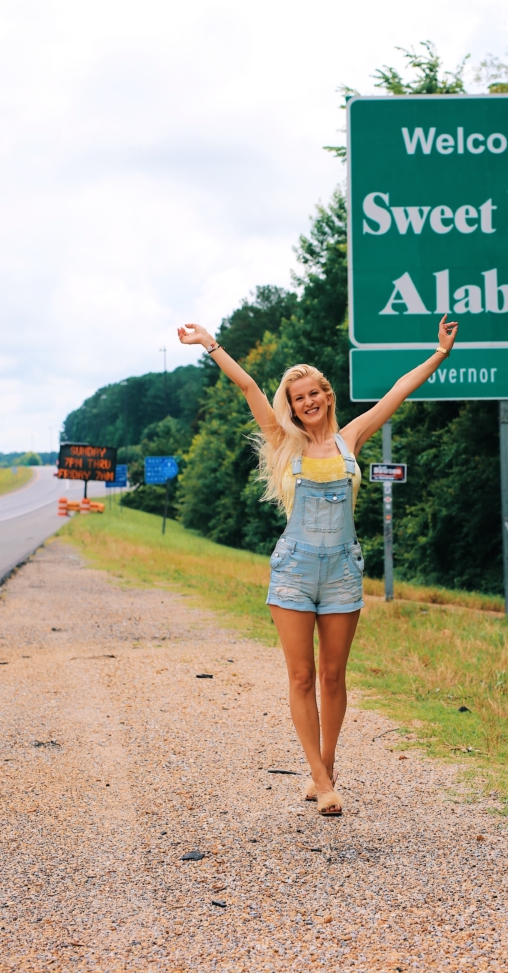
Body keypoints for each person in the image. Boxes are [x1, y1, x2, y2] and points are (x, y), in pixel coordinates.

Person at [177, 315, 458, 815]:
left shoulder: (353, 436)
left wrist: (439, 354)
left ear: (327, 396)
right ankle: (322, 781)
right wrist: (210, 344)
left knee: (334, 677)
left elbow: (398, 390)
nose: (305, 402)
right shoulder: (284, 441)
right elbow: (246, 384)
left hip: (343, 571)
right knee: (301, 676)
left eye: (313, 394)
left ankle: (324, 768)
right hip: (294, 569)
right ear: (291, 406)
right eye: (296, 397)